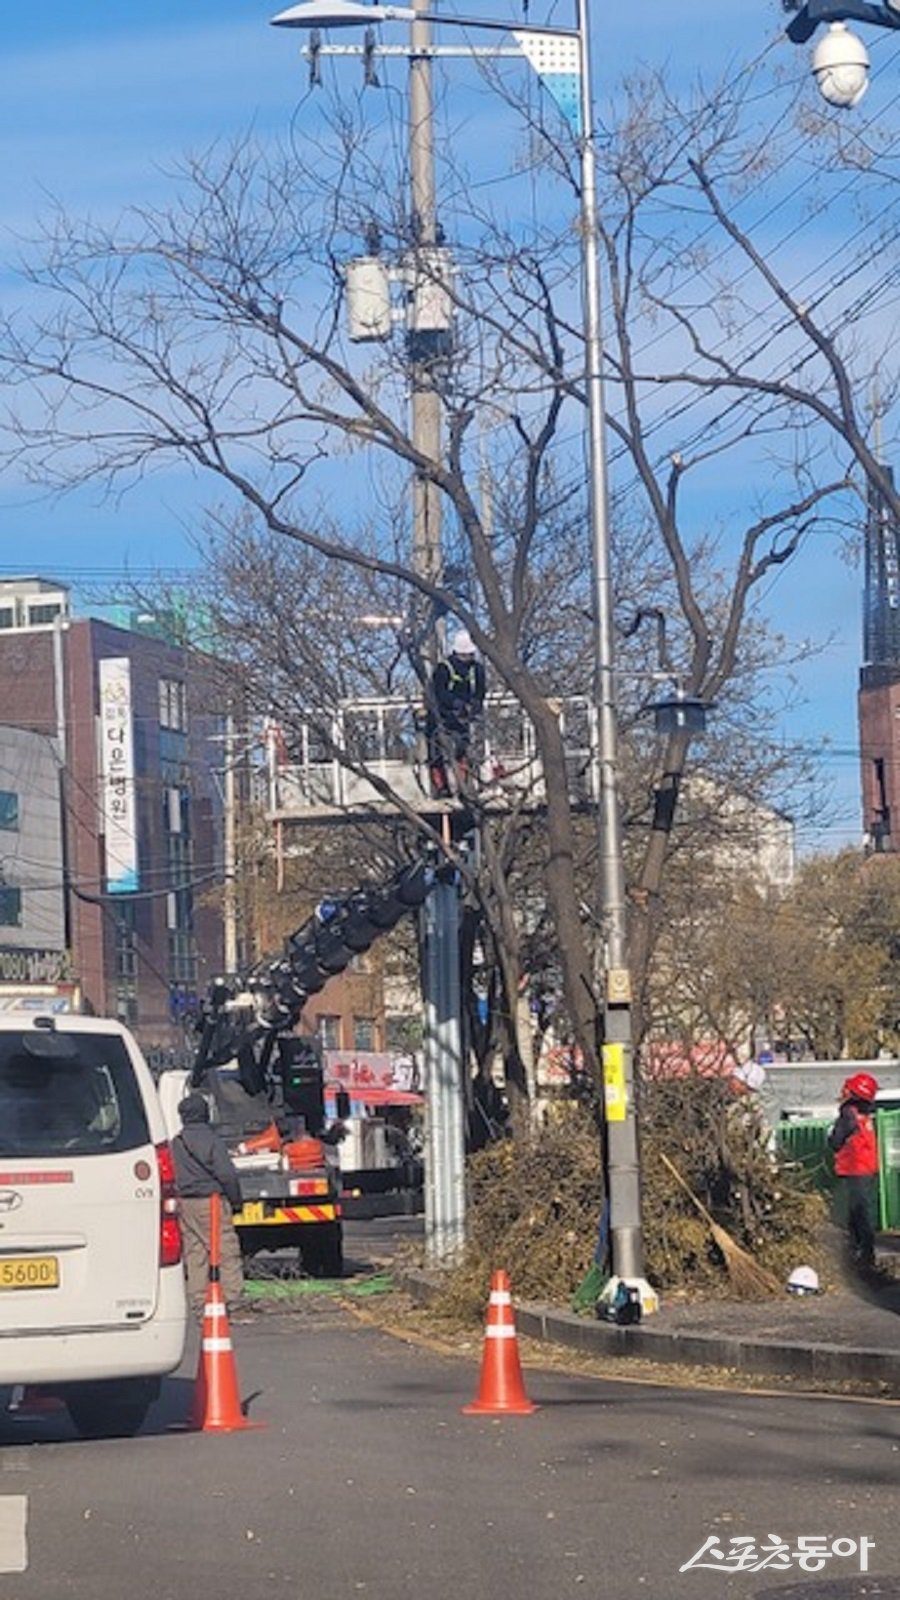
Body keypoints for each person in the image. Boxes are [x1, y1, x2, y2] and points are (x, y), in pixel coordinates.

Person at [172, 1091, 245, 1319]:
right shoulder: (212, 1140)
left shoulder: (177, 1143)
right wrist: (236, 1201)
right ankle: (232, 1301)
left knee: (195, 1252)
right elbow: (226, 1174)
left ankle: (197, 1303)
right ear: (205, 1114)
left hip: (186, 1203)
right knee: (226, 1250)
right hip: (211, 1202)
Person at [828, 1071, 880, 1270]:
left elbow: (836, 1140)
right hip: (866, 1170)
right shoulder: (865, 1114)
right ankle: (863, 1252)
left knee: (856, 1214)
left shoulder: (848, 1113)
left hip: (854, 1169)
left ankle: (863, 1254)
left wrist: (832, 1138)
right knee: (860, 1212)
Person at [426, 628, 486, 797]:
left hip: (462, 717)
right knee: (435, 753)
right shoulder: (443, 669)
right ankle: (441, 787)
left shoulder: (477, 670)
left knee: (462, 750)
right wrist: (455, 704)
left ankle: (463, 786)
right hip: (440, 715)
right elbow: (439, 692)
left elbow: (480, 692)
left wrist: (473, 707)